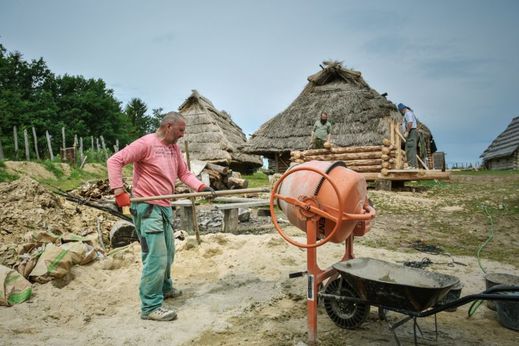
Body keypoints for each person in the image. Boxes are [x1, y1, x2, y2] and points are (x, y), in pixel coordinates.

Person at [107, 112, 214, 321]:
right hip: (147, 207)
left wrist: (201, 186)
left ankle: (164, 288)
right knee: (156, 257)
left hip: (164, 206)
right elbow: (115, 160)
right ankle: (150, 306)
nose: (183, 135)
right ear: (168, 126)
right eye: (181, 130)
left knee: (168, 253)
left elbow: (184, 173)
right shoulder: (146, 144)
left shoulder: (174, 148)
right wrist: (119, 191)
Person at [397, 103, 418, 169]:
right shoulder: (408, 113)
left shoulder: (408, 113)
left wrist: (407, 132)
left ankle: (412, 166)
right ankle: (412, 165)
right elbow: (407, 122)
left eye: (400, 111)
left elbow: (410, 123)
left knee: (410, 148)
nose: (401, 112)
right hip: (411, 131)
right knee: (408, 148)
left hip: (411, 131)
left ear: (402, 109)